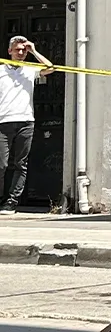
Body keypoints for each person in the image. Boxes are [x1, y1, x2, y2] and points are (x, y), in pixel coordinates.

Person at [0, 36, 55, 215]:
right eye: (18, 49)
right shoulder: (1, 70)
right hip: (3, 122)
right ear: (10, 51)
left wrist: (34, 50)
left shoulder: (30, 69)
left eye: (24, 50)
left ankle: (11, 202)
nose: (21, 52)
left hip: (25, 121)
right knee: (1, 164)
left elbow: (50, 68)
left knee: (20, 164)